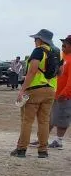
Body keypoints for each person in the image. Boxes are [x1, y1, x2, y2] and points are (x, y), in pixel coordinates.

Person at [13, 29, 59, 158]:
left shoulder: (39, 51)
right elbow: (60, 71)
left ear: (41, 39)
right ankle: (43, 151)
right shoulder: (57, 52)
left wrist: (22, 90)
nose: (34, 41)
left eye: (36, 39)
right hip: (50, 89)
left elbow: (32, 72)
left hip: (35, 89)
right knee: (44, 121)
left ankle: (21, 149)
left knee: (27, 121)